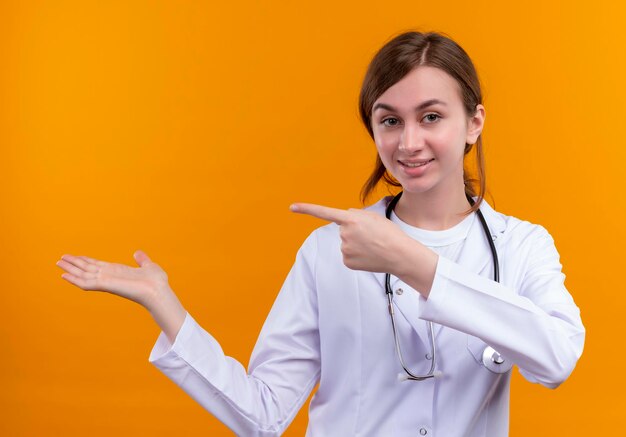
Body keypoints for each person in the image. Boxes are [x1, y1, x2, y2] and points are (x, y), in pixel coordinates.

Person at [56, 31, 585, 436]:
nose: (410, 141)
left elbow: (557, 360)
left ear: (473, 123)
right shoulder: (329, 252)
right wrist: (164, 304)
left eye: (431, 116)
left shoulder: (521, 245)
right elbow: (262, 414)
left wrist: (412, 264)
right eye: (389, 121)